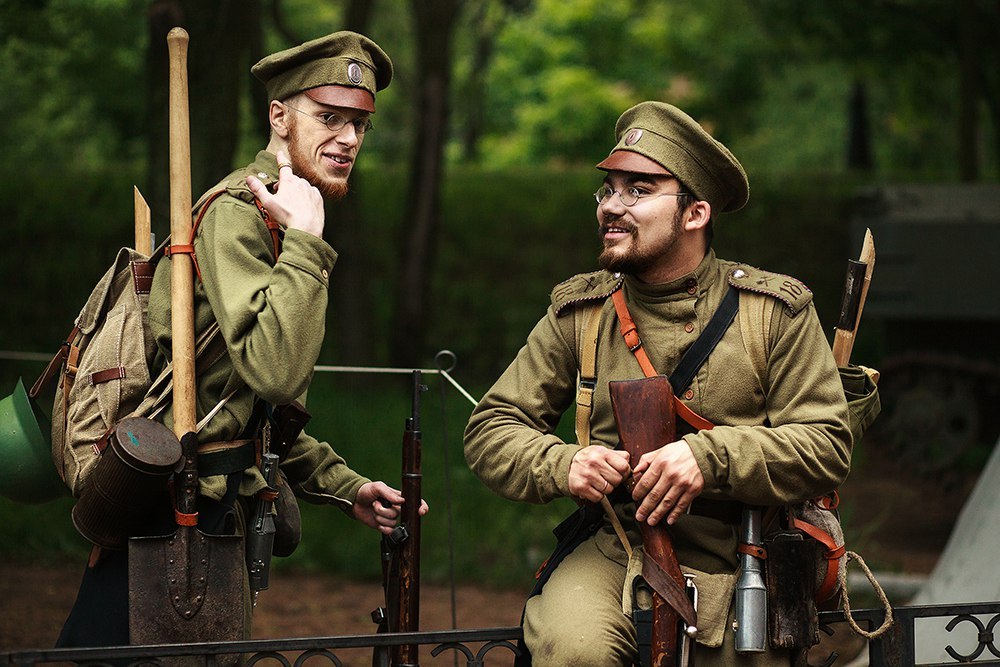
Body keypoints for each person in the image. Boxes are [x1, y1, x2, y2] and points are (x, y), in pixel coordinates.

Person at [57, 30, 426, 647]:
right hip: (172, 515)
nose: (348, 139)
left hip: (213, 509)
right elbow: (276, 374)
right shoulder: (240, 214)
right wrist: (309, 244)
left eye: (360, 123)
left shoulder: (279, 215)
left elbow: (235, 406)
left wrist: (346, 487)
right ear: (279, 116)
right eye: (329, 118)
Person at [464, 101, 852, 665]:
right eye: (608, 190)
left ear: (695, 213)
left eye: (639, 190)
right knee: (575, 650)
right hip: (616, 547)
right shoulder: (582, 311)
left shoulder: (773, 312)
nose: (612, 208)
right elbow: (492, 428)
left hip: (749, 553)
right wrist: (563, 463)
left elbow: (826, 444)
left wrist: (709, 457)